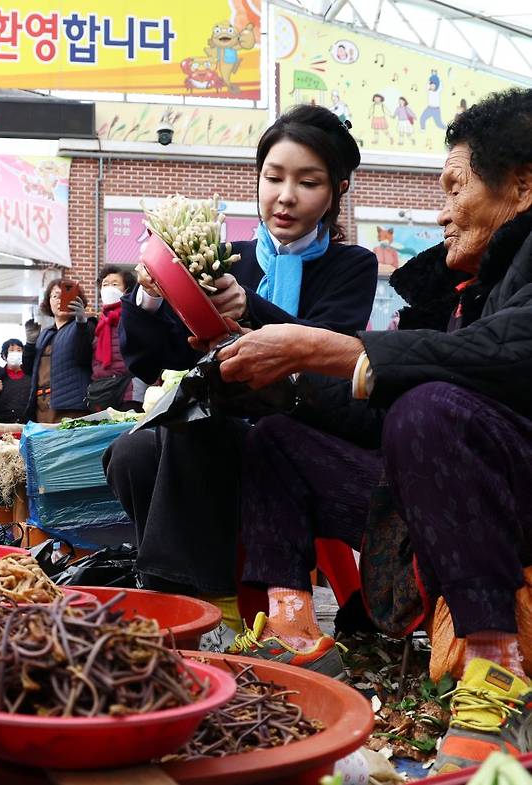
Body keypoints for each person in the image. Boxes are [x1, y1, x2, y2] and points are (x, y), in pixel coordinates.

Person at [216, 88, 532, 771]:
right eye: (273, 177)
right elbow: (374, 411)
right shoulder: (446, 294)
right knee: (277, 439)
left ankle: (498, 677)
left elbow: (513, 349)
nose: (440, 212)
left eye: (454, 187)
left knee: (431, 407)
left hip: (514, 501)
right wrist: (286, 378)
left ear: (522, 185)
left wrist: (320, 347)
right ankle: (295, 629)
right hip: (431, 503)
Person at [104, 105, 378, 638]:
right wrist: (152, 296)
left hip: (300, 425)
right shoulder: (228, 257)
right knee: (130, 454)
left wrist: (247, 308)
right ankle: (194, 593)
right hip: (225, 419)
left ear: (336, 191)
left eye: (308, 182)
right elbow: (156, 362)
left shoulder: (353, 266)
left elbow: (323, 348)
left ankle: (196, 607)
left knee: (199, 423)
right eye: (273, 177)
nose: (286, 196)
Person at [23, 280, 94, 423]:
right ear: (48, 301)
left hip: (70, 406)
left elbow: (84, 357)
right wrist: (30, 343)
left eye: (65, 295)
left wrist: (81, 322)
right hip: (41, 405)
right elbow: (27, 369)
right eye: (55, 296)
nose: (60, 300)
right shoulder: (45, 333)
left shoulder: (86, 326)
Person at [89, 264, 142, 411]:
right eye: (105, 285)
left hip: (129, 388)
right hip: (103, 389)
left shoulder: (134, 315)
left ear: (126, 290)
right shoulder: (99, 322)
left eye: (114, 284)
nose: (108, 288)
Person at [0, 338, 32, 424]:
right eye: (11, 350)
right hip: (1, 425)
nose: (15, 353)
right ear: (4, 356)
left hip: (26, 424)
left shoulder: (31, 376)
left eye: (19, 350)